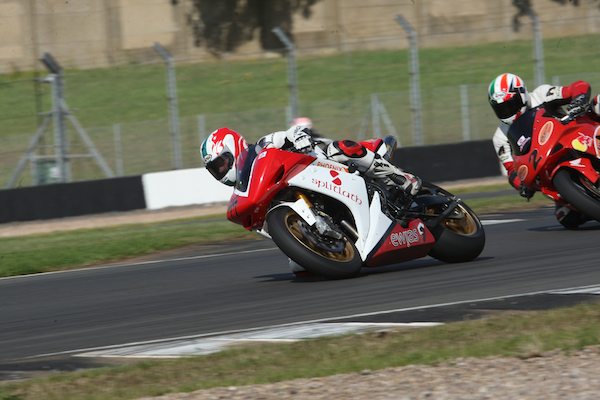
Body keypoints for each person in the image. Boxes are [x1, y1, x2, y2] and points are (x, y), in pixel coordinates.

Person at [488, 72, 600, 228]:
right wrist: (521, 185)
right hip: (545, 164)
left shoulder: (541, 94)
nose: (507, 111)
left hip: (575, 131)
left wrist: (579, 99)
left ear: (522, 94)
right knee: (565, 216)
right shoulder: (500, 137)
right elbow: (511, 170)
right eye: (501, 109)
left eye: (511, 104)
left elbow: (577, 87)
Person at [201, 124, 421, 197]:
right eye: (215, 169)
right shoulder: (246, 190)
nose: (221, 170)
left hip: (320, 162)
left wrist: (298, 138)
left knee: (340, 149)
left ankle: (400, 177)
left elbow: (291, 132)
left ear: (233, 148)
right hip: (312, 188)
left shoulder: (262, 145)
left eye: (221, 163)